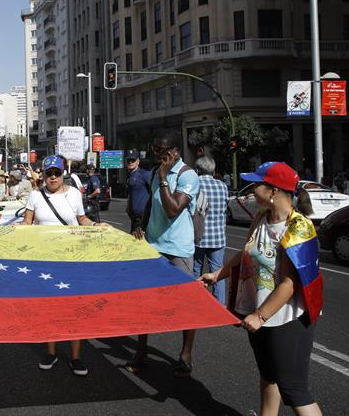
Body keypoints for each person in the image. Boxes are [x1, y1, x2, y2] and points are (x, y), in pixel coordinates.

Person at [199, 162, 323, 416]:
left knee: (294, 390)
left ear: (274, 191)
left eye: (257, 185)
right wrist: (217, 274)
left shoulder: (297, 227)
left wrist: (260, 316)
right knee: (268, 377)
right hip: (259, 311)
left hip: (287, 318)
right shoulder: (260, 218)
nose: (252, 190)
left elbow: (290, 284)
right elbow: (245, 255)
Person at [23, 155, 106, 376]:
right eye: (48, 173)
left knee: (74, 307)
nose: (52, 177)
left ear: (63, 174)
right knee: (49, 307)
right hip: (44, 261)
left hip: (71, 259)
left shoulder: (74, 195)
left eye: (56, 173)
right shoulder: (35, 195)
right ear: (43, 174)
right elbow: (27, 224)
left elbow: (82, 220)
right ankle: (51, 353)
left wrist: (96, 225)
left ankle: (76, 357)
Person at [129, 131, 200, 377]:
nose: (159, 156)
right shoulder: (152, 173)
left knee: (186, 304)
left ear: (176, 152)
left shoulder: (187, 175)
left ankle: (186, 354)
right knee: (144, 300)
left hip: (178, 249)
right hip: (153, 246)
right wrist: (142, 224)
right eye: (157, 151)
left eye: (164, 151)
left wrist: (163, 177)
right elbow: (153, 202)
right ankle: (141, 350)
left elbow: (172, 209)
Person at [193, 156, 228, 305]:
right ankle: (219, 305)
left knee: (195, 271)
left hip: (198, 236)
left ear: (197, 170)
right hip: (218, 237)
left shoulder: (195, 184)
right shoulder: (223, 186)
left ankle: (195, 302)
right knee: (217, 273)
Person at [125, 150, 152, 233]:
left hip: (144, 219)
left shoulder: (144, 174)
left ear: (138, 161)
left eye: (133, 160)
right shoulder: (130, 176)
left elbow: (155, 191)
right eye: (128, 160)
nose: (130, 162)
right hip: (135, 219)